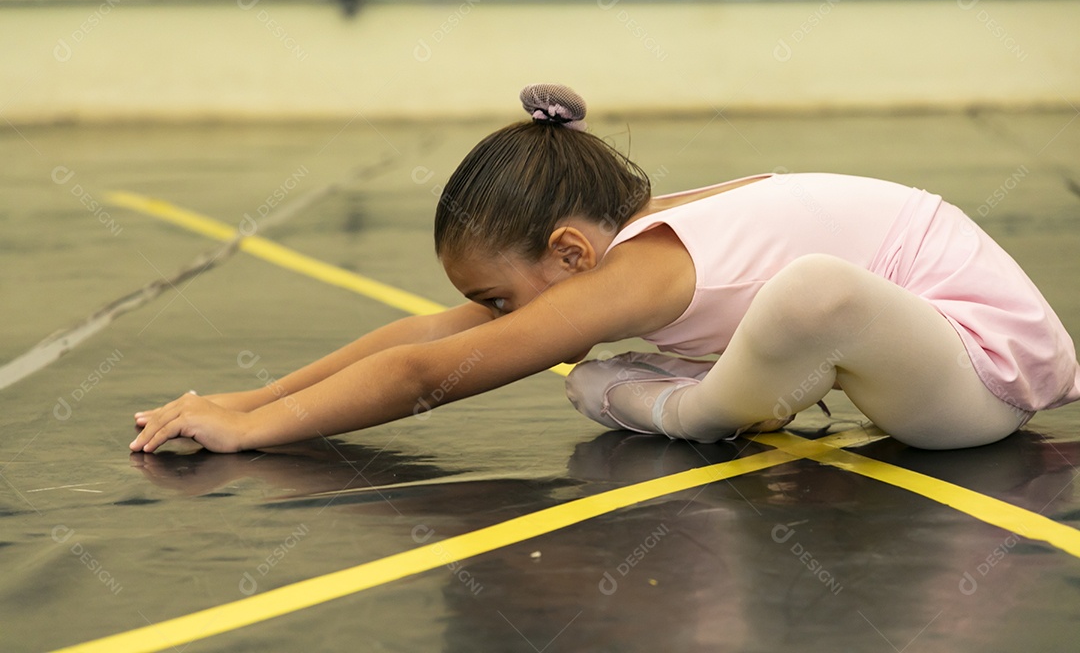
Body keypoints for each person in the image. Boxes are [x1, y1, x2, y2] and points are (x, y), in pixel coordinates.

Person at [130, 84, 1080, 454]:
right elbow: (430, 337)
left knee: (813, 291)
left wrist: (253, 438)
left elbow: (431, 376)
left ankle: (694, 407)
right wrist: (253, 398)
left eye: (499, 297)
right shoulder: (621, 246)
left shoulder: (636, 269)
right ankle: (710, 389)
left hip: (981, 383)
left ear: (571, 254)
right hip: (909, 365)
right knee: (806, 301)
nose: (492, 318)